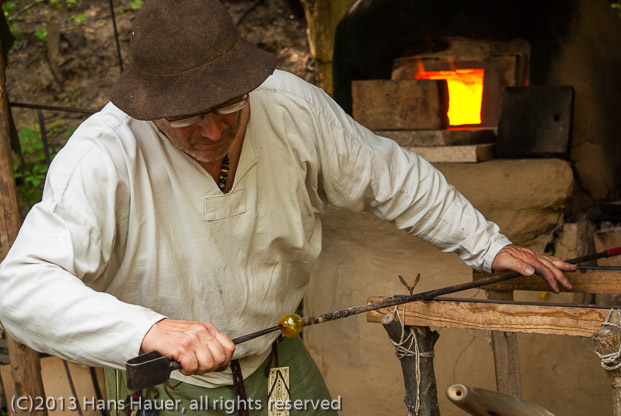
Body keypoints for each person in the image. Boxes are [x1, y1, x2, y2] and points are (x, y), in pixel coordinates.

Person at [0, 0, 576, 414]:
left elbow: (391, 176)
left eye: (227, 104)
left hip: (276, 358)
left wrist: (487, 243)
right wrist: (150, 329)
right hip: (163, 384)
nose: (211, 131)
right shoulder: (105, 154)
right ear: (149, 106)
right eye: (185, 116)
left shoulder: (290, 107)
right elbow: (20, 288)